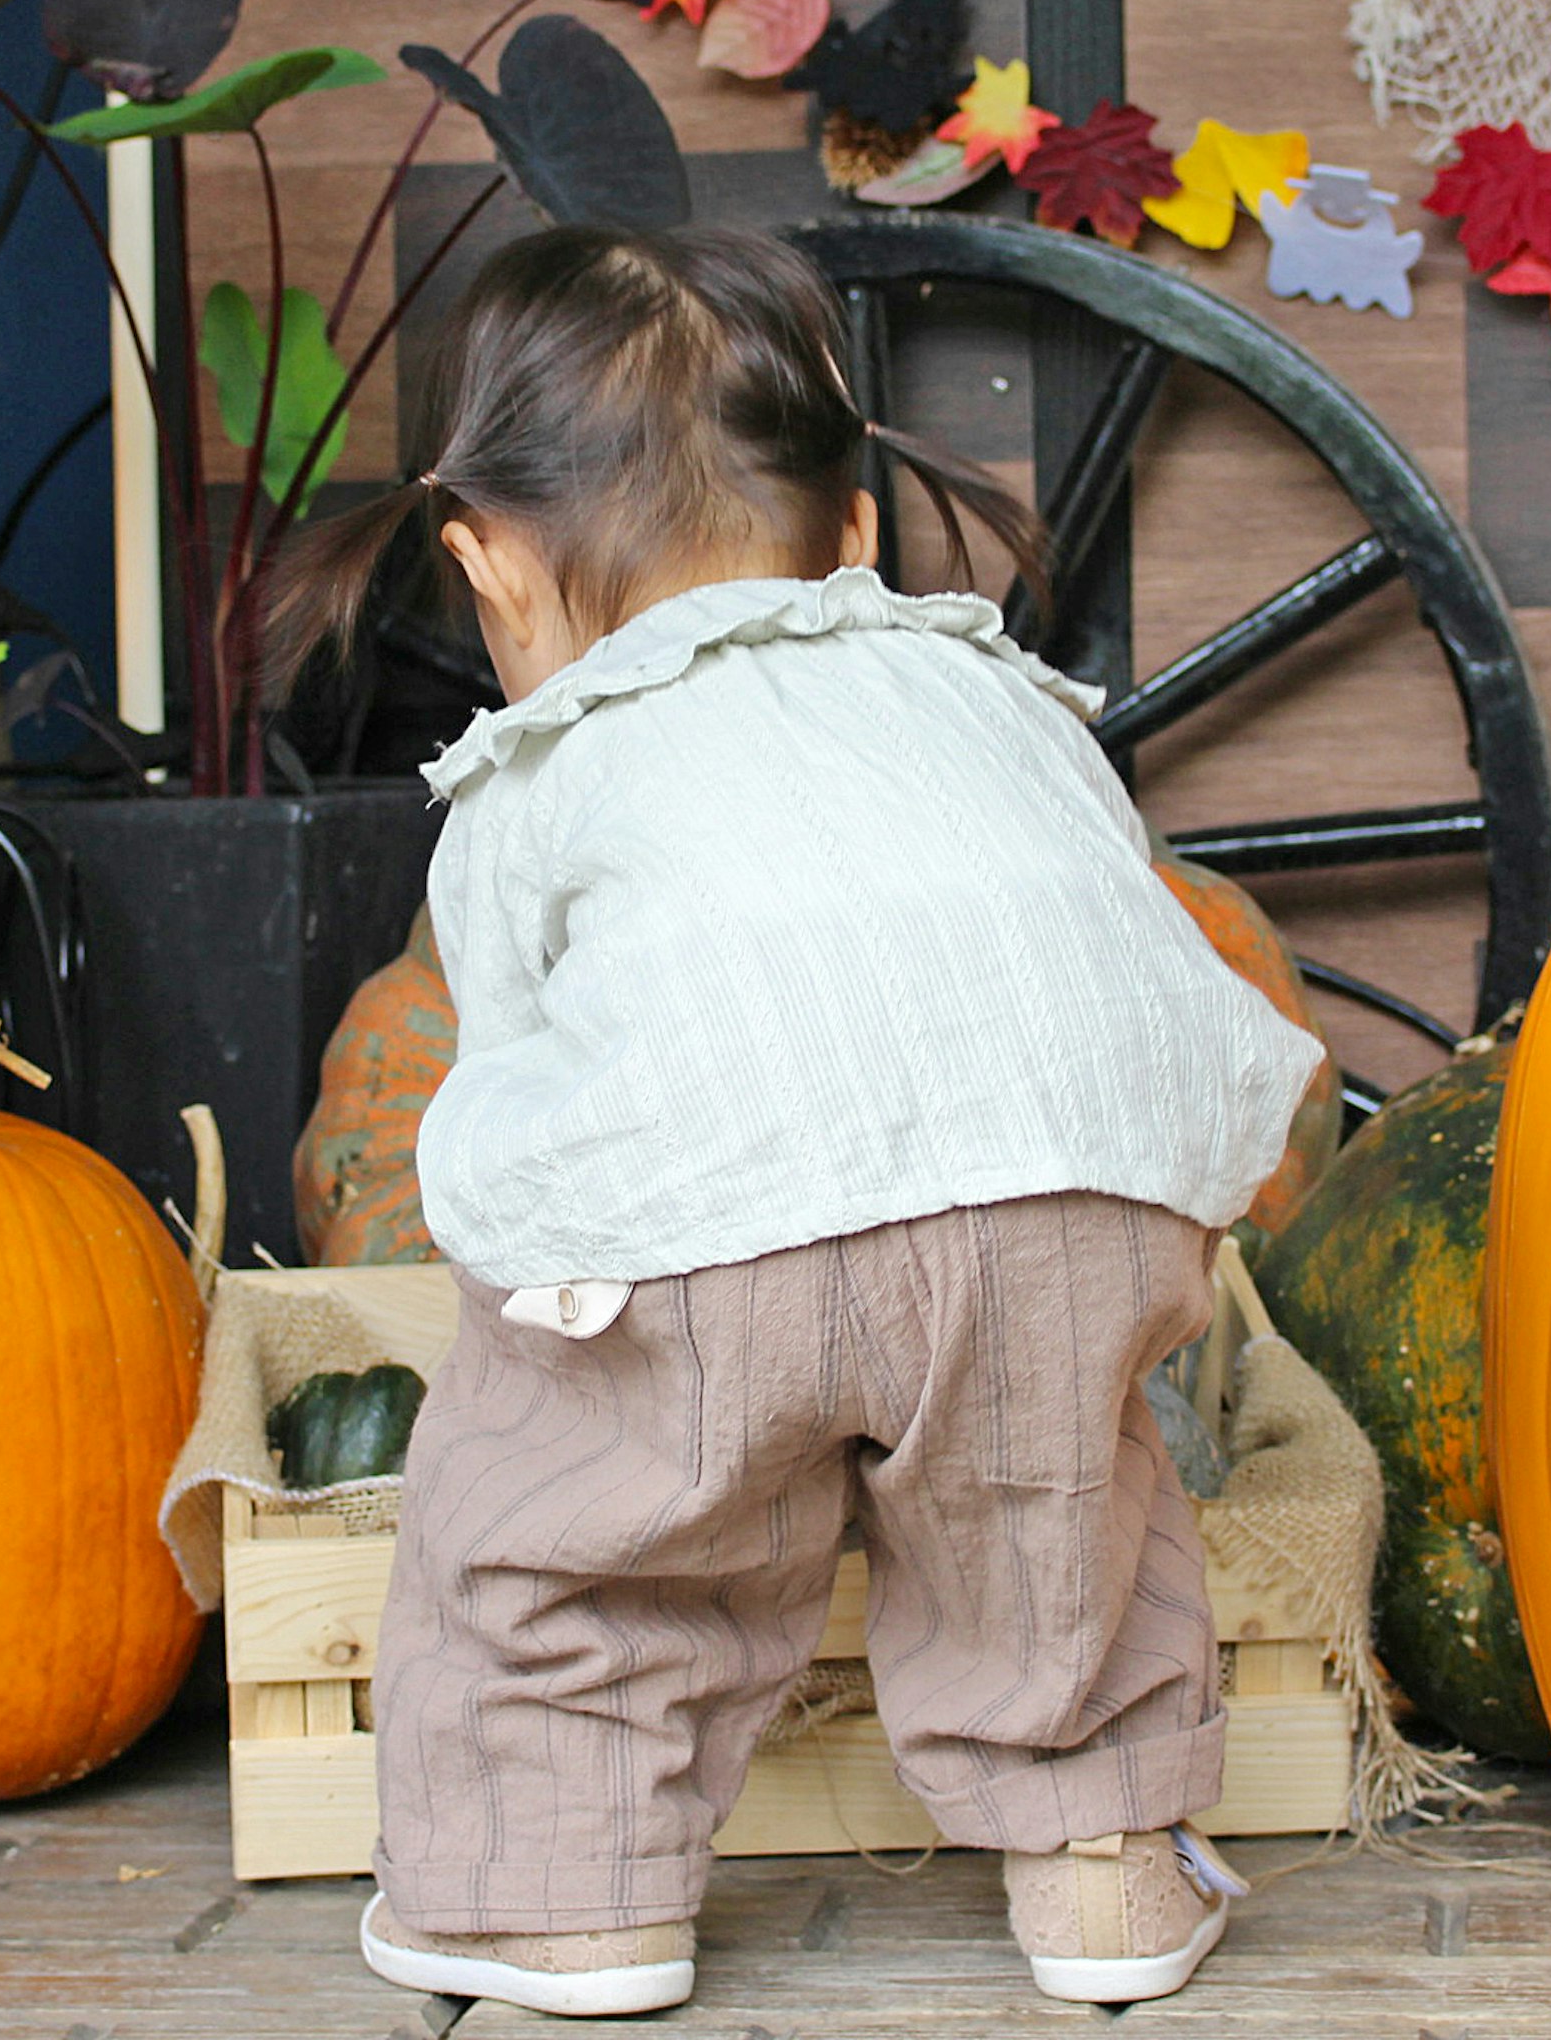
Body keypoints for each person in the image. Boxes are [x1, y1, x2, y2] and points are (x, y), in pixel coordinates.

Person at [262, 224, 1324, 2019]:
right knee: (1057, 1514)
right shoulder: (988, 689)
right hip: (1072, 1194)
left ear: (485, 566)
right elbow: (1103, 909)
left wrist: (530, 1276)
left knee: (577, 1534)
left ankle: (562, 1905)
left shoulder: (551, 759)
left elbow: (512, 1064)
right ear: (855, 534)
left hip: (714, 1215)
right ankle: (1106, 1875)